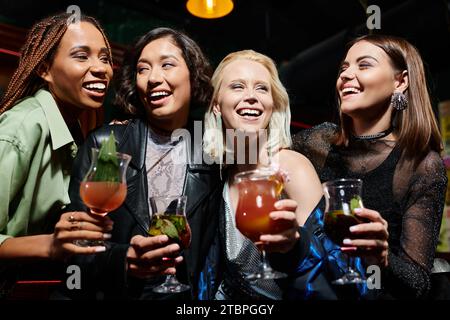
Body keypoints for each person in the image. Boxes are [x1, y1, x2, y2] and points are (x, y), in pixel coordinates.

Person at [203, 49, 389, 299]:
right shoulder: (221, 178)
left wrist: (295, 244)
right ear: (216, 105)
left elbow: (334, 264)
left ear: (273, 105)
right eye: (237, 86)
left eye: (262, 88)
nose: (251, 97)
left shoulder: (289, 166)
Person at [66, 27, 222, 299]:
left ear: (193, 75)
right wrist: (122, 259)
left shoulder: (215, 153)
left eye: (167, 65)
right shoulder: (106, 145)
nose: (153, 78)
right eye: (142, 69)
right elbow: (75, 247)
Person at [293, 34, 447, 299]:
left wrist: (381, 257)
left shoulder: (420, 165)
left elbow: (418, 282)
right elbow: (259, 160)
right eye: (344, 67)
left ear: (400, 82)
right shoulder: (317, 142)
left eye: (363, 65)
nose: (346, 75)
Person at [0, 12, 114, 295]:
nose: (100, 68)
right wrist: (51, 245)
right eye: (81, 56)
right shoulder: (22, 126)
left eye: (104, 57)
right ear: (45, 69)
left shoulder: (74, 131)